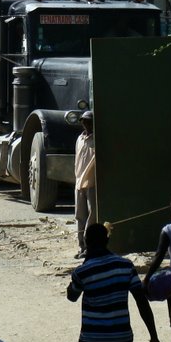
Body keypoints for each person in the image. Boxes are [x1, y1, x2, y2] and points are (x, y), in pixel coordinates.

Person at [73, 110, 96, 258]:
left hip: (91, 182)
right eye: (83, 121)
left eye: (88, 121)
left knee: (91, 216)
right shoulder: (80, 139)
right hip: (79, 182)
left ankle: (89, 247)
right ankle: (81, 246)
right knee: (79, 216)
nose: (85, 124)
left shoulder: (96, 140)